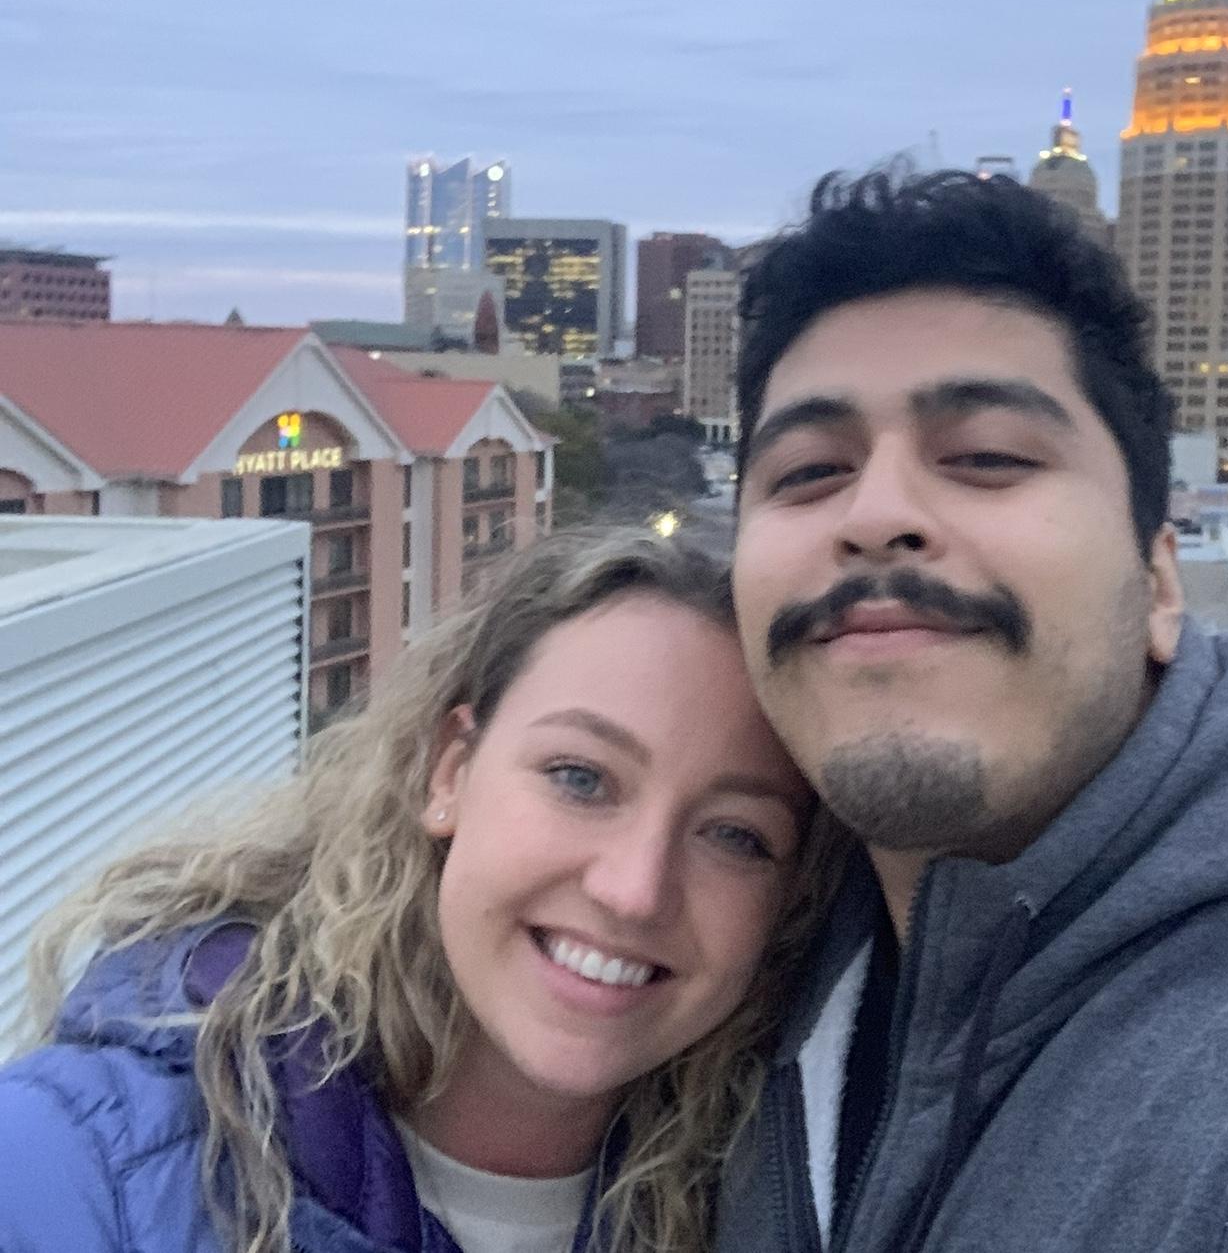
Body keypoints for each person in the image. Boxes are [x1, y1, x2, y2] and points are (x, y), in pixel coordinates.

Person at [718, 167, 1228, 1253]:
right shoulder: (722, 944)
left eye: (987, 456)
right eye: (809, 471)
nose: (878, 511)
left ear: (1161, 585)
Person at [0, 527, 844, 1253]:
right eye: (580, 778)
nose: (635, 890)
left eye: (736, 835)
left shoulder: (791, 1205)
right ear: (451, 772)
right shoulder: (76, 1167)